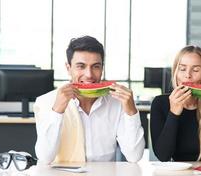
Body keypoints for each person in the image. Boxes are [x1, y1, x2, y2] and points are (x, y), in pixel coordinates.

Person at [34, 36, 145, 164]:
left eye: (95, 66)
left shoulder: (117, 102)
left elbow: (134, 156)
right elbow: (45, 157)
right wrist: (57, 111)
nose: (89, 75)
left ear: (102, 68)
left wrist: (131, 111)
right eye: (81, 66)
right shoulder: (45, 102)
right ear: (68, 68)